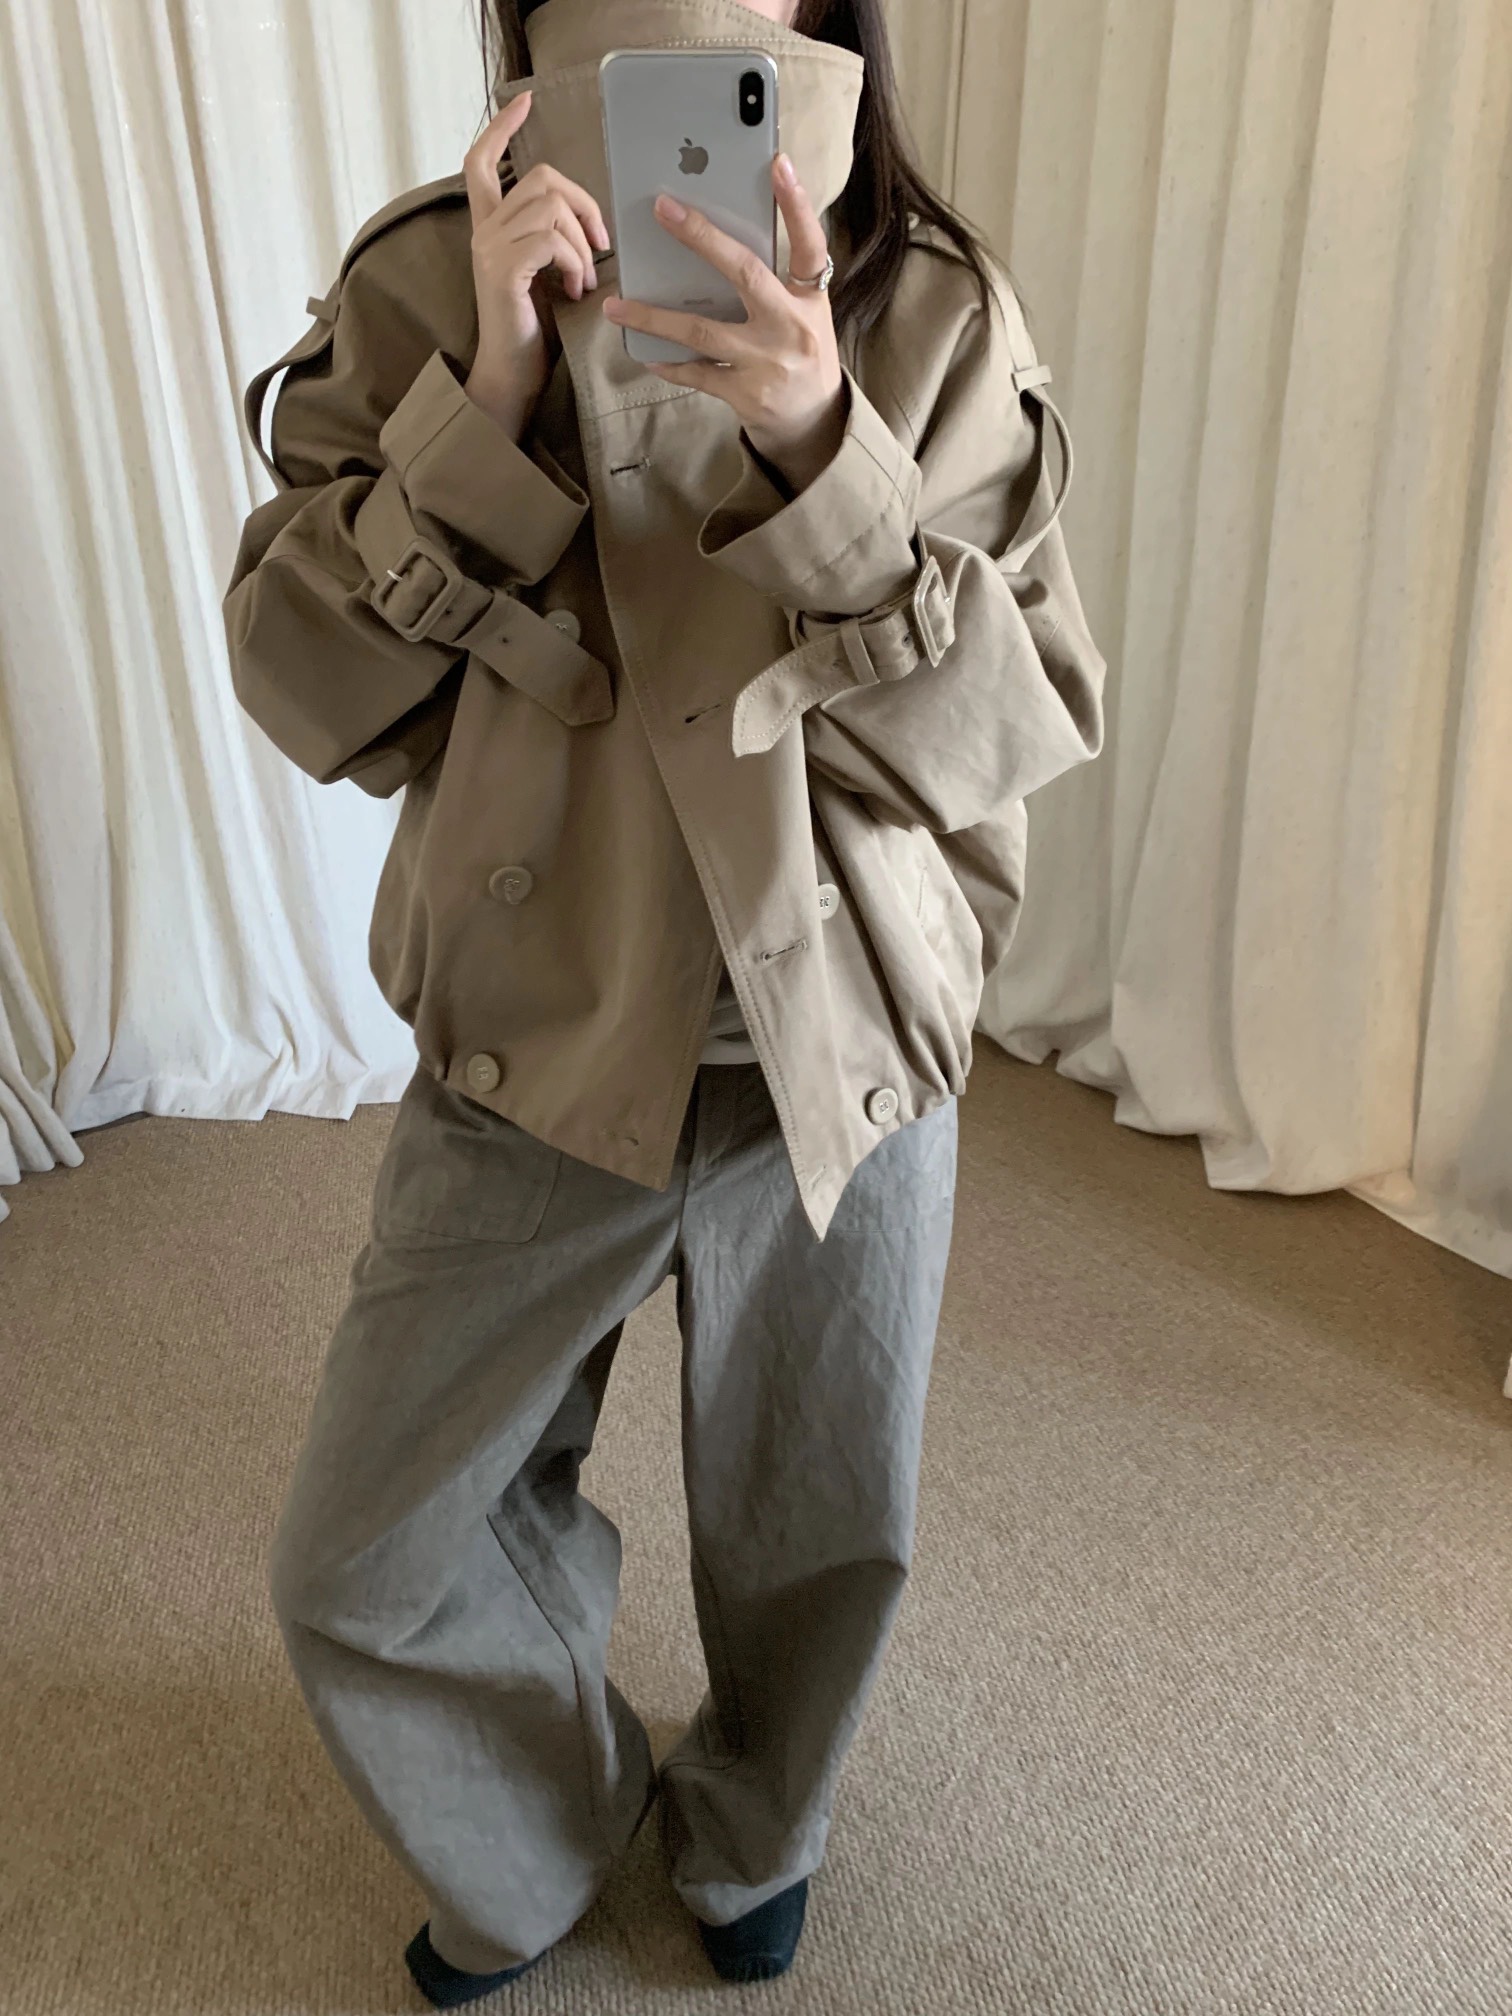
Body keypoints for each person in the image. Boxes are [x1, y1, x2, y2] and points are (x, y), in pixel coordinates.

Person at [223, 0, 1104, 2001]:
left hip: (836, 1036)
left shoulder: (929, 305)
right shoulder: (423, 282)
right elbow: (303, 690)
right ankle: (541, 1820)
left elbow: (1017, 721)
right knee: (370, 1554)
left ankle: (755, 1827)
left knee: (820, 1532)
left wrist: (826, 451)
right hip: (540, 1021)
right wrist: (485, 398)